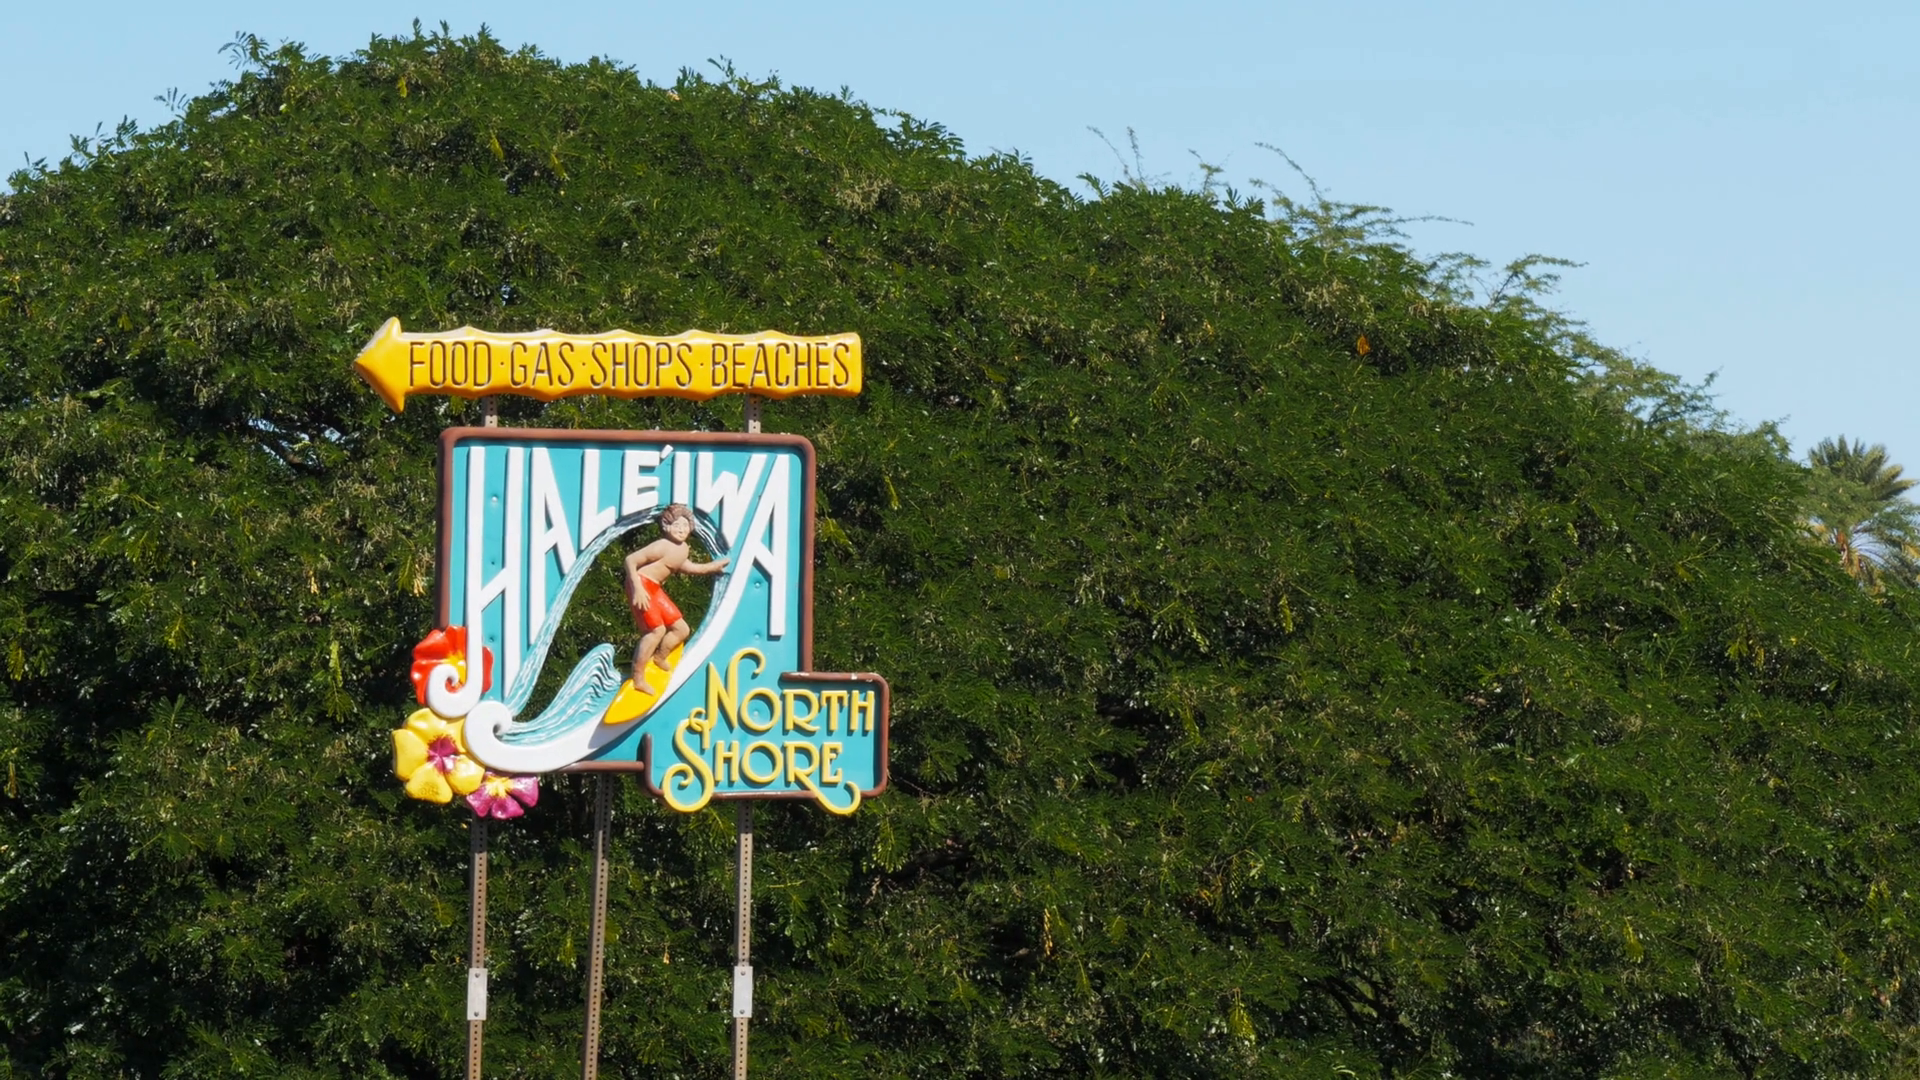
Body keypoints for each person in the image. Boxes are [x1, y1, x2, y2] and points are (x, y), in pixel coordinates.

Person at [623, 503, 729, 684]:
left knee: (682, 629)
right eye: (677, 525)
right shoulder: (662, 545)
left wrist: (712, 567)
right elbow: (630, 560)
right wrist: (637, 588)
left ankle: (659, 657)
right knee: (656, 630)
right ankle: (638, 676)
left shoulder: (682, 548)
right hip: (641, 584)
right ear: (666, 526)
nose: (681, 529)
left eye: (685, 525)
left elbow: (689, 567)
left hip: (654, 588)